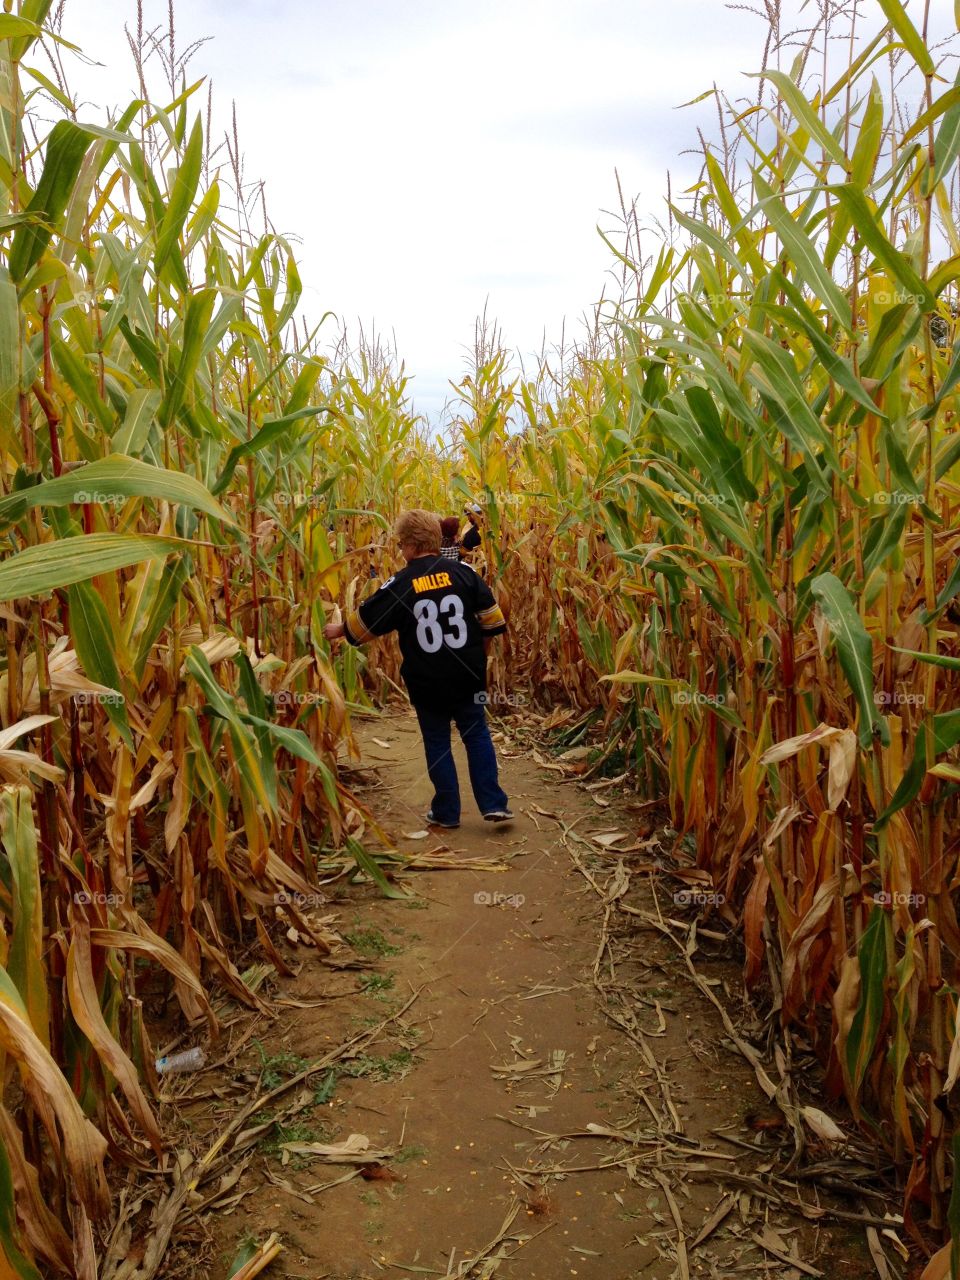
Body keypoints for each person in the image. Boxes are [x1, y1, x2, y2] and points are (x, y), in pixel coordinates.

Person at [323, 509, 513, 828]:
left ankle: (447, 813)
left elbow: (365, 624)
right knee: (477, 734)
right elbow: (493, 623)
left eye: (401, 544)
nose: (400, 550)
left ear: (411, 545)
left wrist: (339, 630)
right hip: (468, 676)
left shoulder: (402, 583)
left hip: (427, 682)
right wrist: (476, 660)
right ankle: (494, 804)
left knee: (437, 741)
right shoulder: (465, 573)